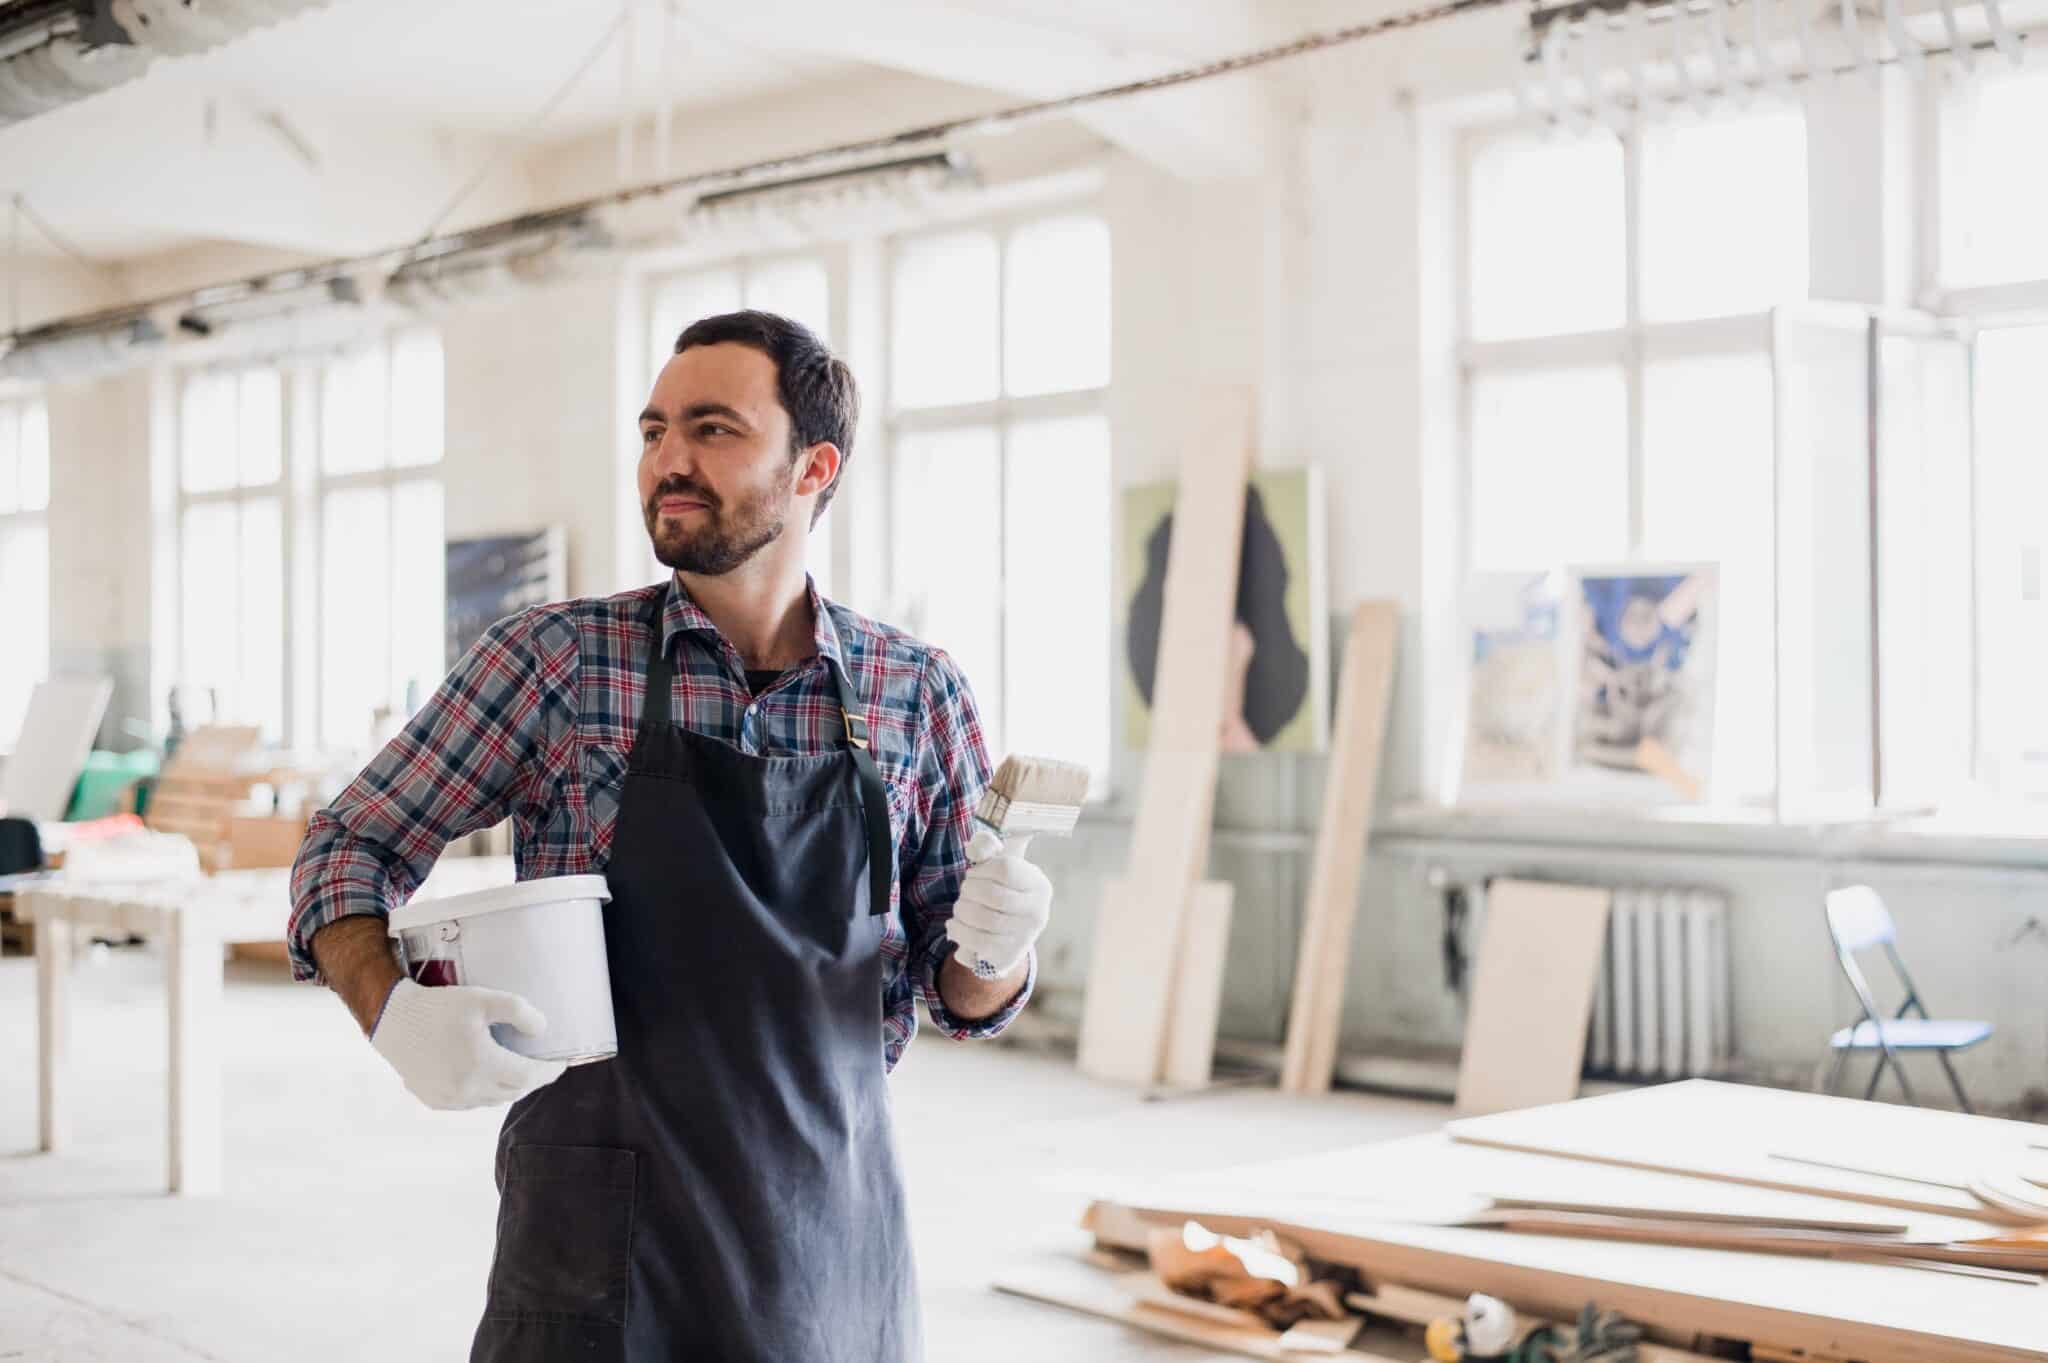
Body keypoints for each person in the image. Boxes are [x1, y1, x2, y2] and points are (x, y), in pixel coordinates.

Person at [287, 310, 1053, 1362]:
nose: (668, 462)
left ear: (812, 467)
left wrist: (996, 950)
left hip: (822, 1226)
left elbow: (953, 990)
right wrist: (387, 1009)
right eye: (653, 432)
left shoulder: (911, 690)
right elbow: (347, 844)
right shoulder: (554, 663)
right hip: (595, 1234)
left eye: (712, 429)